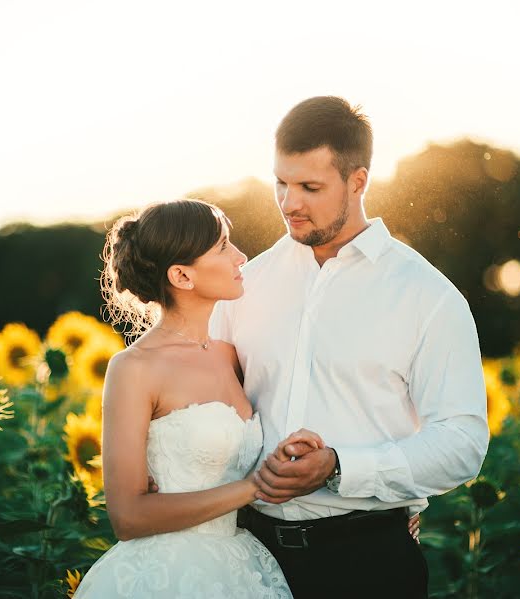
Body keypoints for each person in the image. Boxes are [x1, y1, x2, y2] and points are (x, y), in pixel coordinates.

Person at [209, 96, 490, 598]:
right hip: (246, 557)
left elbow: (462, 443)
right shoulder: (245, 285)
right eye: (281, 182)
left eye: (310, 187)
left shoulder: (427, 296)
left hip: (368, 563)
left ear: (358, 181)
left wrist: (340, 467)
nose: (289, 202)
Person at [73, 199, 295, 598]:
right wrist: (253, 488)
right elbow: (128, 516)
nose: (240, 257)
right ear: (182, 276)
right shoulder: (134, 367)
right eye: (223, 246)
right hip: (166, 573)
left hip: (240, 565)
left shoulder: (231, 356)